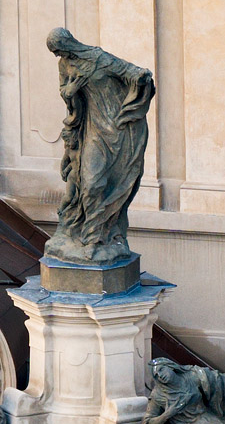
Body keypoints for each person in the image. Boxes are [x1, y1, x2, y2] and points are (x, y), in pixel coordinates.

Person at [46, 28, 157, 267]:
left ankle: (96, 240)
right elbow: (67, 96)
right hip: (91, 129)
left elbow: (131, 73)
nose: (58, 56)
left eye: (59, 50)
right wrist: (70, 91)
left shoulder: (99, 59)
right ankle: (90, 235)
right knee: (91, 182)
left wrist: (142, 77)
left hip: (118, 128)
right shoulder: (66, 66)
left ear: (68, 44)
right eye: (55, 53)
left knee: (111, 182)